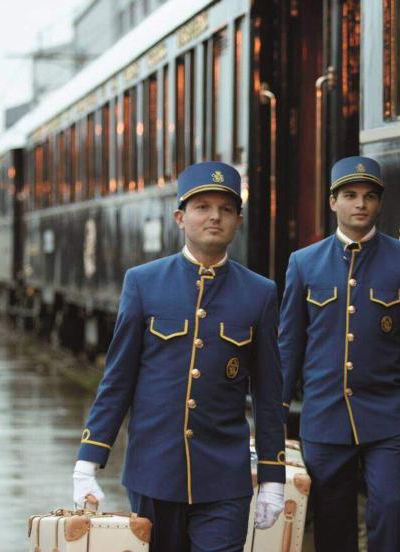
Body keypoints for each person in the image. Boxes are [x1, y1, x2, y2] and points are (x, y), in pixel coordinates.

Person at [72, 161, 286, 552]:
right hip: (154, 472)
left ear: (238, 219)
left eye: (225, 209)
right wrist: (88, 462)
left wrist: (273, 477)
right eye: (202, 206)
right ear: (180, 217)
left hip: (225, 478)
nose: (214, 217)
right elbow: (117, 380)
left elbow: (270, 394)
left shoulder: (260, 292)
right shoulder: (143, 283)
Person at [279, 156, 400, 551]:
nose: (360, 204)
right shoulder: (303, 264)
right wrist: (274, 413)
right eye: (350, 195)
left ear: (379, 204)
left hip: (387, 419)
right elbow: (289, 345)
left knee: (390, 511)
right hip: (325, 418)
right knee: (333, 525)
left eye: (369, 196)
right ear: (332, 202)